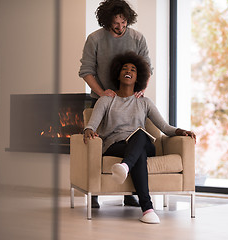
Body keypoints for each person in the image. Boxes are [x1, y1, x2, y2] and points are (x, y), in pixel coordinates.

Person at [83, 52, 196, 224]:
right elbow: (92, 124)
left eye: (133, 69)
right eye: (124, 69)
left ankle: (125, 166)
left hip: (140, 141)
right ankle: (147, 209)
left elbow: (165, 127)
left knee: (141, 136)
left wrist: (182, 131)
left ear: (138, 78)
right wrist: (88, 130)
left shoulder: (144, 102)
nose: (128, 71)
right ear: (118, 74)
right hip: (116, 145)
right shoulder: (106, 100)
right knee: (140, 153)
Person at [79, 0, 152, 208]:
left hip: (130, 99)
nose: (120, 27)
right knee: (98, 142)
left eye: (123, 22)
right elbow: (86, 71)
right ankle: (94, 194)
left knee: (133, 138)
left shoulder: (138, 38)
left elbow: (147, 68)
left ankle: (129, 194)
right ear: (106, 22)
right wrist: (104, 94)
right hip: (103, 99)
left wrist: (140, 90)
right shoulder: (95, 39)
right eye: (115, 24)